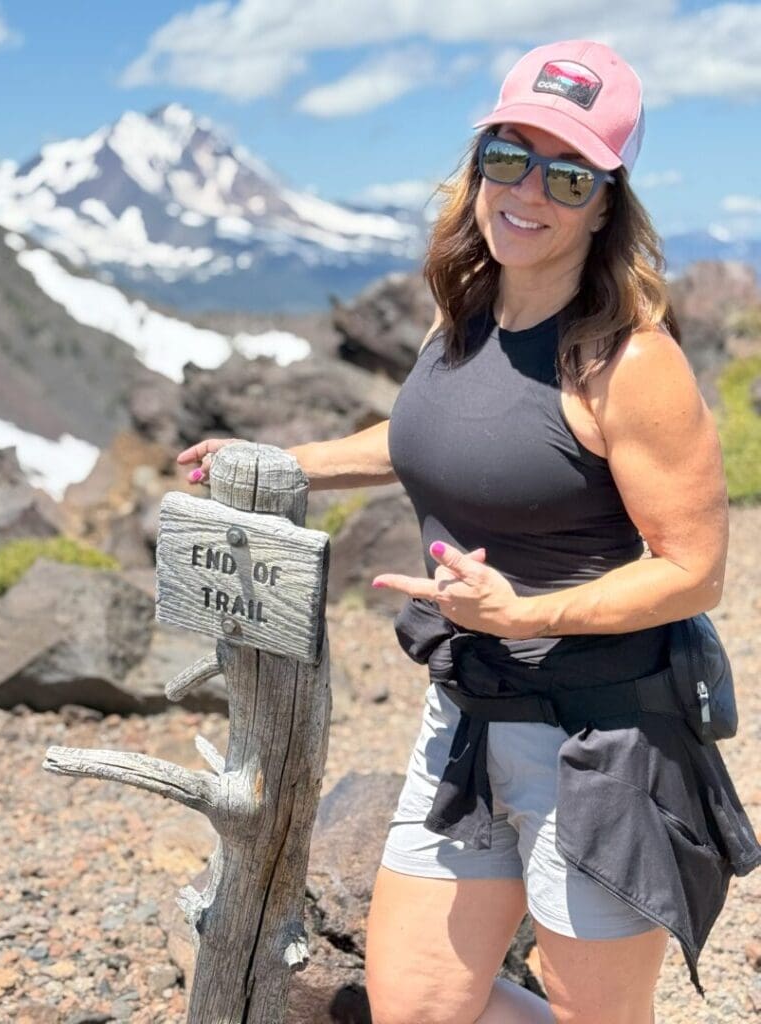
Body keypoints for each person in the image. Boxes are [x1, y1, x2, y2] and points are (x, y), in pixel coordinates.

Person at [176, 39, 760, 1024]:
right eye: (509, 156)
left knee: (594, 1012)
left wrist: (527, 611)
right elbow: (428, 435)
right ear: (479, 164)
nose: (528, 190)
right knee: (416, 1006)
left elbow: (694, 571)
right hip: (464, 717)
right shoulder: (464, 315)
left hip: (600, 737)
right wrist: (290, 460)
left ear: (605, 204)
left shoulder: (627, 361)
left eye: (568, 175)